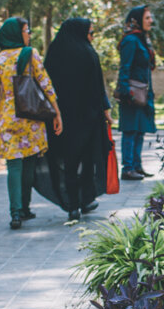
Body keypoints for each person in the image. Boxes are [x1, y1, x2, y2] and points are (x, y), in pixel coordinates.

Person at [0, 16, 62, 229]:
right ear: (17, 34)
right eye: (27, 31)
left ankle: (16, 213)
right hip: (31, 117)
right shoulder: (30, 54)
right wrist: (57, 112)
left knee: (14, 166)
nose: (29, 35)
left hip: (8, 118)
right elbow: (45, 84)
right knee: (29, 161)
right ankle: (25, 208)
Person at [44, 18, 113, 224]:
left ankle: (73, 205)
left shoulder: (55, 51)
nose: (91, 37)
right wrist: (106, 111)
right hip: (88, 117)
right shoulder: (88, 53)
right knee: (88, 159)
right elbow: (98, 86)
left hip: (61, 118)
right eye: (91, 33)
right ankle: (85, 199)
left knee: (69, 162)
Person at [116, 5, 155, 180]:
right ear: (138, 20)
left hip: (143, 91)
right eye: (147, 18)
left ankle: (137, 166)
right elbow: (125, 67)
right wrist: (126, 92)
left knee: (140, 129)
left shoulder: (141, 39)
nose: (151, 21)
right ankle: (127, 168)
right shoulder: (131, 41)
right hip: (132, 93)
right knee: (130, 130)